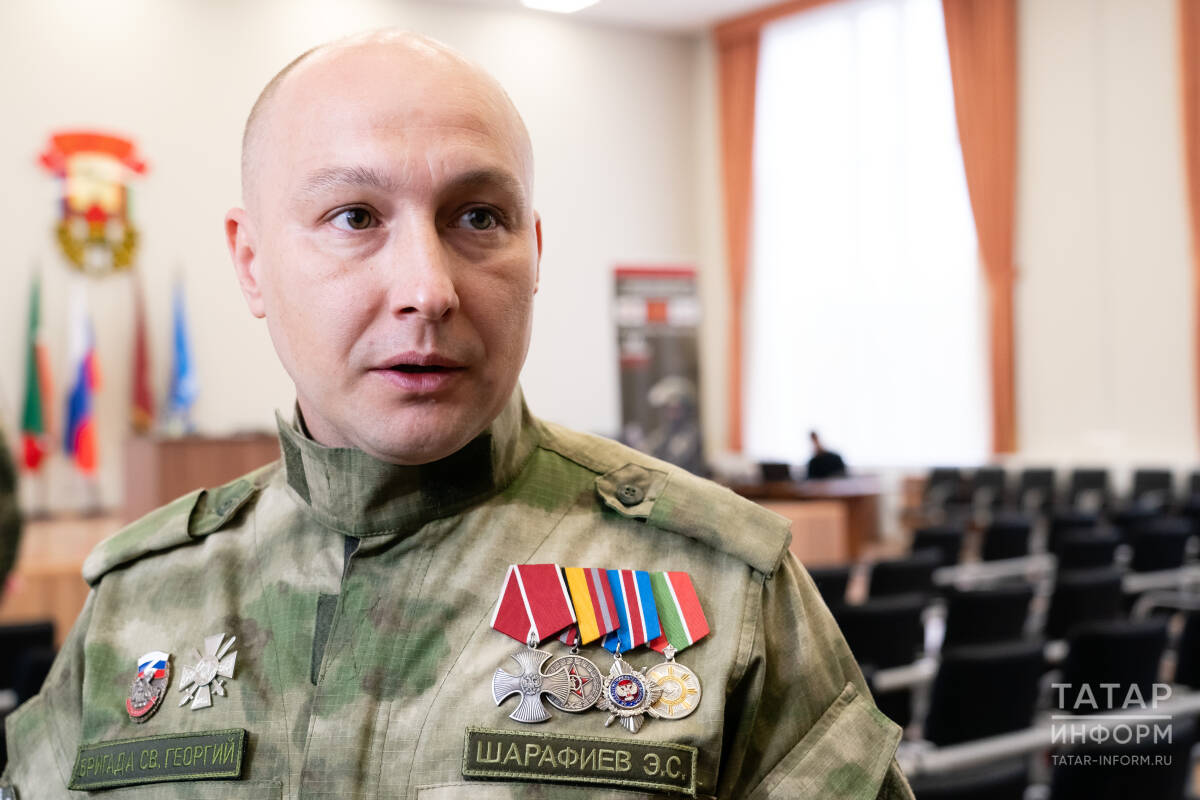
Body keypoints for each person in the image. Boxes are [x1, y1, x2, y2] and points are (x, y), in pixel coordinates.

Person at [0, 32, 912, 799]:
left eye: (477, 217)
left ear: (534, 252)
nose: (429, 290)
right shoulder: (139, 602)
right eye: (355, 216)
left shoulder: (722, 586)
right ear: (251, 265)